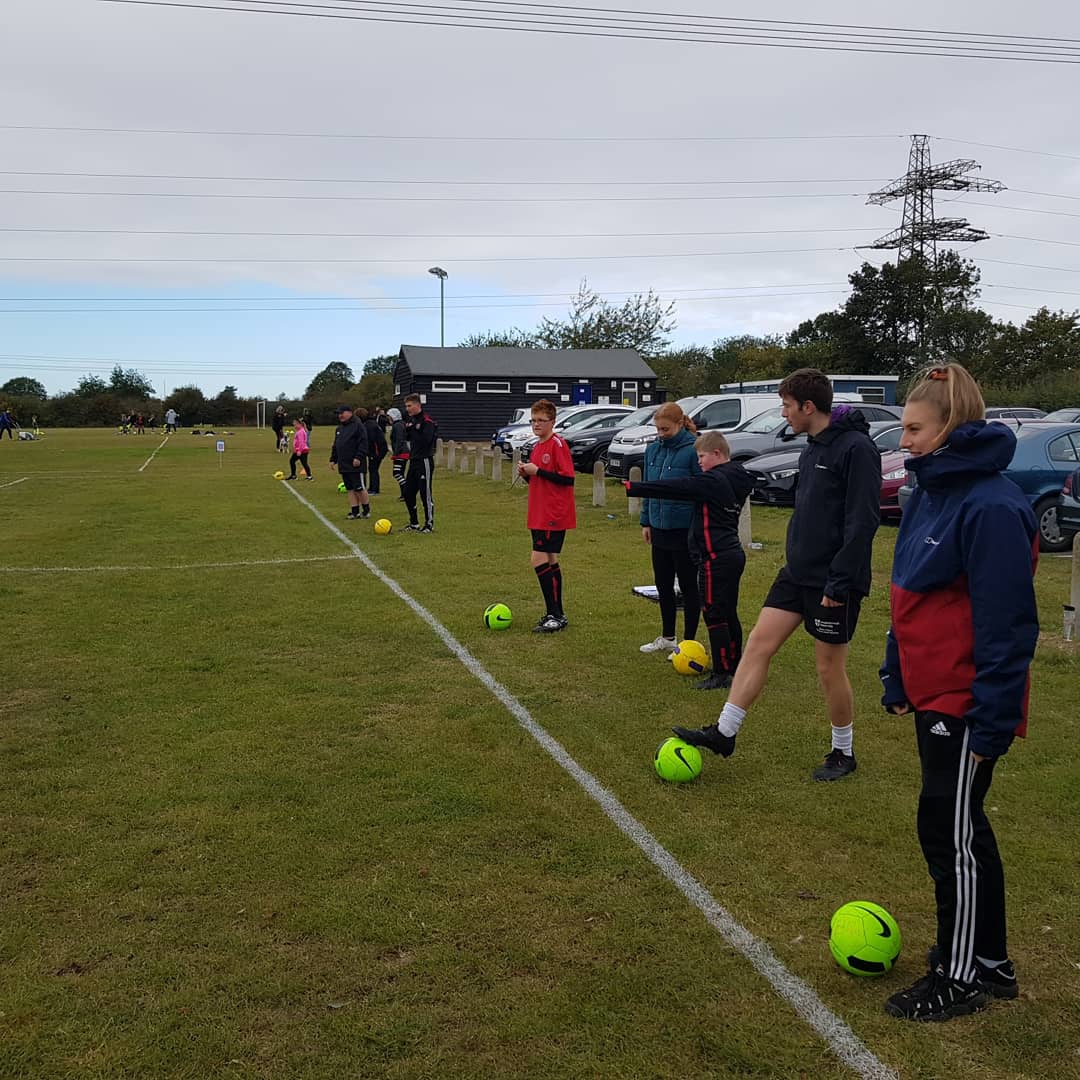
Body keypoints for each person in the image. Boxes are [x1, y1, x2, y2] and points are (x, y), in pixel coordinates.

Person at [878, 363, 1038, 1022]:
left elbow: (1007, 624)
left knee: (951, 833)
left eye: (915, 428)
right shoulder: (929, 493)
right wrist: (896, 670)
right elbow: (909, 592)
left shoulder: (994, 506)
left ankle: (961, 974)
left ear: (951, 426)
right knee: (957, 824)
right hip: (931, 692)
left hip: (968, 700)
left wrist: (993, 717)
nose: (905, 440)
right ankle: (989, 958)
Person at [673, 368, 881, 781]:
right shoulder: (811, 447)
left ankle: (844, 752)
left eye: (787, 406)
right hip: (796, 574)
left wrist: (839, 583)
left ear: (808, 406)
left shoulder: (856, 449)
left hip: (833, 581)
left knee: (828, 668)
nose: (783, 413)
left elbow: (863, 521)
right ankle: (725, 732)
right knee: (758, 644)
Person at [626, 430, 753, 689]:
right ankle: (735, 663)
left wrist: (635, 487)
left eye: (702, 456)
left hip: (715, 556)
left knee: (715, 614)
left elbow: (679, 487)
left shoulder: (714, 480)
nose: (699, 463)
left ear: (717, 454)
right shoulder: (738, 474)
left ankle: (721, 673)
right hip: (731, 553)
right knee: (728, 611)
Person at [633, 403, 704, 661]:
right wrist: (646, 521)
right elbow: (650, 488)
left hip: (684, 529)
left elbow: (701, 489)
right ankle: (667, 637)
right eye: (658, 429)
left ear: (679, 424)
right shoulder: (652, 449)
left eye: (666, 429)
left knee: (688, 586)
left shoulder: (693, 450)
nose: (661, 433)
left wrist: (696, 527)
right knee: (663, 584)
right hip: (659, 526)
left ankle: (688, 643)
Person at [517, 398, 576, 633]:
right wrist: (527, 474)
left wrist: (538, 470)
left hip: (553, 512)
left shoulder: (557, 444)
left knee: (538, 558)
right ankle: (556, 613)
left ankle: (556, 614)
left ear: (553, 421)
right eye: (533, 420)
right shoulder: (538, 445)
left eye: (541, 420)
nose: (536, 424)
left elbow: (567, 478)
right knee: (550, 560)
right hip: (539, 511)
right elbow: (540, 478)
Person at [402, 394, 437, 533]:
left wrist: (415, 430)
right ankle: (414, 522)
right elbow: (408, 437)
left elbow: (427, 440)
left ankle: (429, 524)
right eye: (406, 406)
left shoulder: (426, 421)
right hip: (414, 460)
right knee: (408, 493)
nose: (407, 409)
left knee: (425, 493)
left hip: (425, 460)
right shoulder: (411, 421)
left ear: (417, 405)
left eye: (409, 406)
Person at [329, 404, 371, 520]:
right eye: (338, 414)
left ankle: (366, 510)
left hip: (356, 463)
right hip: (344, 464)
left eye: (342, 413)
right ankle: (354, 511)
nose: (340, 416)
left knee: (359, 488)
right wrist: (333, 459)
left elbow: (363, 443)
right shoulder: (339, 429)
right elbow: (336, 445)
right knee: (350, 488)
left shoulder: (358, 426)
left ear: (349, 412)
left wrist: (359, 457)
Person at [363, 407, 388, 495]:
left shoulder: (369, 425)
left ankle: (375, 489)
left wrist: (371, 452)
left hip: (377, 450)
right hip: (377, 449)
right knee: (372, 468)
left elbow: (371, 439)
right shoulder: (370, 423)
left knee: (373, 469)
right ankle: (372, 487)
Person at [387, 407, 409, 500]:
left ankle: (407, 491)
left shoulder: (398, 426)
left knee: (397, 473)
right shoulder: (400, 424)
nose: (388, 419)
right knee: (400, 473)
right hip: (402, 452)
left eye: (389, 417)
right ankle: (404, 494)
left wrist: (395, 454)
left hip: (401, 453)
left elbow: (399, 440)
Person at [288, 412, 313, 480]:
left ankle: (294, 476)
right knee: (303, 463)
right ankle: (309, 476)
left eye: (295, 425)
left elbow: (302, 442)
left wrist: (299, 451)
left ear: (299, 424)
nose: (294, 426)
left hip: (302, 451)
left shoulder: (301, 432)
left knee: (292, 461)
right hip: (301, 450)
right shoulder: (300, 431)